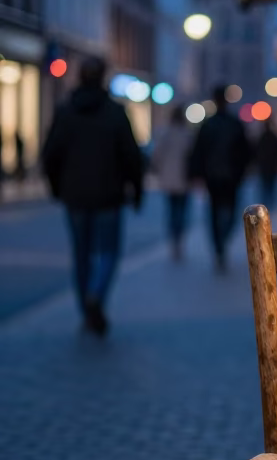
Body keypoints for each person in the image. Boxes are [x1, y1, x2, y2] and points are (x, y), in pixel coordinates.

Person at [42, 55, 143, 335]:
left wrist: (57, 187)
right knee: (108, 252)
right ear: (103, 78)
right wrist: (136, 190)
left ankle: (86, 308)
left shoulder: (65, 111)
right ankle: (96, 296)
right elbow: (131, 156)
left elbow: (50, 154)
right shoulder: (115, 112)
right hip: (108, 195)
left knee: (81, 253)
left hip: (75, 195)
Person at [188, 85, 251, 271]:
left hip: (220, 177)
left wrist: (197, 173)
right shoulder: (229, 123)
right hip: (225, 177)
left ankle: (219, 244)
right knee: (226, 212)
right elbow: (245, 151)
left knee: (218, 213)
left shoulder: (212, 125)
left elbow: (198, 152)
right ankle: (220, 245)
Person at [153, 106, 194, 260]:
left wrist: (158, 170)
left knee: (172, 211)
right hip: (184, 180)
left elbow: (157, 156)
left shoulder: (165, 134)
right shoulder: (187, 135)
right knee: (181, 212)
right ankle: (179, 238)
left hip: (169, 180)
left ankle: (174, 238)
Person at [255, 117, 277, 210]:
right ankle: (269, 204)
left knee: (266, 185)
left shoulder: (264, 137)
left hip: (267, 166)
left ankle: (267, 204)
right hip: (270, 166)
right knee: (270, 185)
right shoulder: (271, 137)